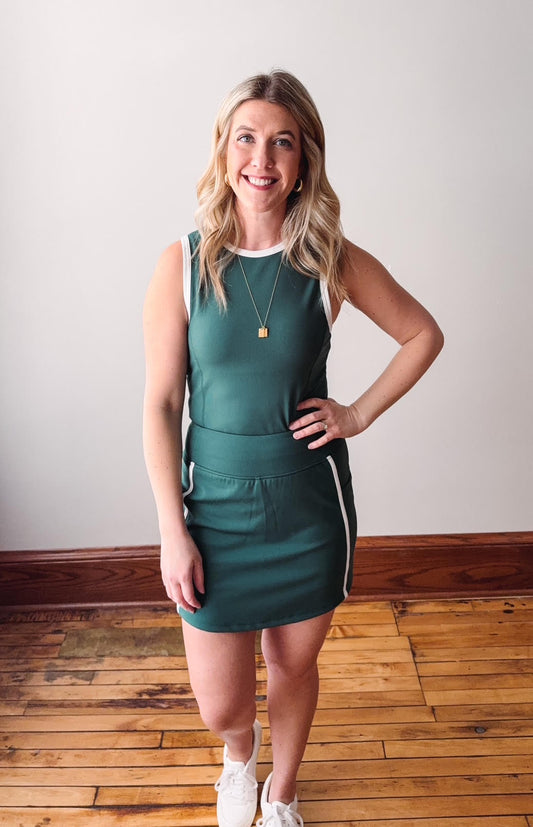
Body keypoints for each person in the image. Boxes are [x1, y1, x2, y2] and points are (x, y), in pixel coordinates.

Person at [143, 70, 443, 827]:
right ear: (224, 149)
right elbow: (160, 402)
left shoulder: (328, 258)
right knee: (220, 703)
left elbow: (420, 334)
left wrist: (357, 413)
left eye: (283, 141)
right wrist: (171, 531)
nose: (262, 159)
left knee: (292, 663)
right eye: (246, 138)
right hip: (212, 506)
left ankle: (281, 788)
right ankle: (237, 756)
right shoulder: (181, 264)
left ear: (304, 157)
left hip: (308, 507)